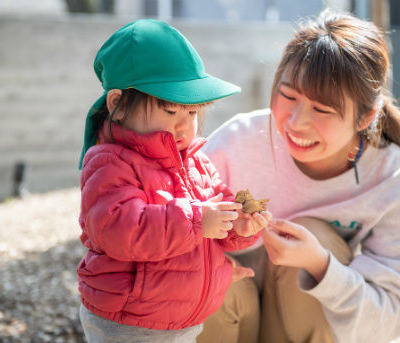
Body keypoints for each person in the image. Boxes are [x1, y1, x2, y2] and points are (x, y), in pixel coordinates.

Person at [198, 9, 400, 343]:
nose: (296, 122)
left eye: (322, 109)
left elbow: (391, 318)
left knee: (313, 235)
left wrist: (322, 267)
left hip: (306, 322)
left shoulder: (394, 179)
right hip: (228, 316)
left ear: (365, 117)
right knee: (204, 274)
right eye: (289, 96)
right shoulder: (237, 143)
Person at [76, 19, 271, 343]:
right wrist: (197, 221)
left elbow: (216, 217)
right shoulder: (110, 161)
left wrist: (239, 227)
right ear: (117, 105)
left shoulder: (196, 162)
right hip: (129, 321)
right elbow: (121, 230)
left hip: (181, 318)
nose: (184, 126)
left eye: (192, 113)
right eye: (169, 112)